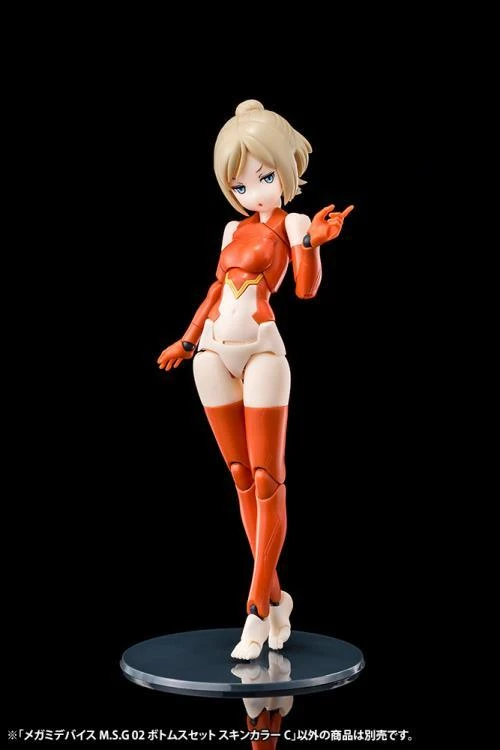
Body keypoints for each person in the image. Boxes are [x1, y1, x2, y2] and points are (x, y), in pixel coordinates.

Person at [158, 100, 353, 660]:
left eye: (265, 177)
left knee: (268, 479)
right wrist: (187, 340)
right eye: (240, 183)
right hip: (212, 352)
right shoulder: (231, 228)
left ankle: (257, 609)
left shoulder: (293, 223)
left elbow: (305, 291)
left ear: (285, 171)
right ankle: (277, 598)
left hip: (263, 352)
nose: (253, 191)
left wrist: (311, 245)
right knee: (242, 476)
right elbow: (215, 291)